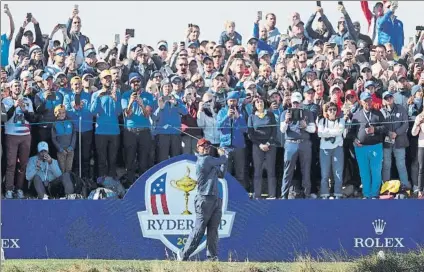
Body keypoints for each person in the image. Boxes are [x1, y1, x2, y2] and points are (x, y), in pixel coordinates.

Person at [177, 138, 228, 261]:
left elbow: (221, 174)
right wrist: (224, 156)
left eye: (208, 146)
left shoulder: (210, 162)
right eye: (203, 146)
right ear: (197, 148)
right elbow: (222, 160)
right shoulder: (204, 160)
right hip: (204, 200)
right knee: (199, 230)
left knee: (213, 230)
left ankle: (212, 257)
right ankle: (183, 255)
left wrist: (224, 161)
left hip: (215, 199)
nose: (206, 147)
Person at [348, 92, 387, 199]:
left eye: (370, 100)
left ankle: (374, 194)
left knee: (376, 172)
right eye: (366, 101)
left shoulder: (378, 113)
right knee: (364, 172)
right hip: (361, 148)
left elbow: (385, 128)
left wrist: (375, 129)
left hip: (376, 146)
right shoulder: (356, 115)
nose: (368, 103)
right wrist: (354, 140)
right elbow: (350, 132)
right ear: (361, 102)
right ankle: (366, 194)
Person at [280, 92, 316, 199]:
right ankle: (284, 195)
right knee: (288, 170)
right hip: (291, 143)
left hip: (304, 143)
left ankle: (307, 194)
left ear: (301, 102)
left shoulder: (308, 113)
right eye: (294, 102)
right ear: (291, 102)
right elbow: (282, 130)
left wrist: (305, 126)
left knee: (306, 170)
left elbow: (313, 129)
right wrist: (286, 120)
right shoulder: (285, 113)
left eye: (298, 102)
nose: (296, 105)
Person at [2, 79, 34, 199]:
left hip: (25, 135)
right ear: (10, 88)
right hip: (11, 135)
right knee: (11, 164)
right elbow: (5, 118)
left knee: (23, 164)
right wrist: (14, 107)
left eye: (19, 86)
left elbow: (32, 119)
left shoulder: (27, 100)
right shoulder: (6, 101)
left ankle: (19, 188)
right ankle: (9, 189)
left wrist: (24, 109)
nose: (17, 88)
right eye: (15, 86)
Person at [247, 97, 277, 199]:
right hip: (257, 146)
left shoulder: (270, 114)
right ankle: (257, 195)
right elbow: (250, 134)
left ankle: (272, 195)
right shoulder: (251, 117)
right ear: (254, 105)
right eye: (257, 102)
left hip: (270, 146)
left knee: (271, 170)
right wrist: (260, 144)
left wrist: (268, 143)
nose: (259, 103)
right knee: (258, 171)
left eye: (261, 101)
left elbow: (274, 131)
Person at [380, 91, 411, 190]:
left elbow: (406, 123)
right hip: (387, 142)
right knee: (386, 165)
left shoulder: (401, 108)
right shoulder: (381, 111)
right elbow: (381, 126)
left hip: (400, 141)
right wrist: (389, 133)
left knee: (401, 164)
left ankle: (405, 186)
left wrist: (396, 132)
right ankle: (386, 187)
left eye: (390, 97)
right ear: (383, 100)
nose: (389, 99)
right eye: (386, 98)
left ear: (393, 98)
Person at [317, 102, 345, 199]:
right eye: (330, 110)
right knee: (325, 173)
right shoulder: (322, 121)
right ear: (327, 112)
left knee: (338, 172)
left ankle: (338, 193)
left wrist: (327, 132)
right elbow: (320, 134)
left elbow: (340, 131)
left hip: (338, 148)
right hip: (324, 149)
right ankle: (325, 193)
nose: (332, 111)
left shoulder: (341, 120)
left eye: (334, 109)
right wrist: (333, 133)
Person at [51, 104, 76, 173]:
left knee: (69, 169)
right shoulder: (55, 124)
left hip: (70, 150)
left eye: (63, 112)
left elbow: (74, 134)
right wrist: (60, 149)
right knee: (61, 169)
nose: (62, 114)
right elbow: (53, 138)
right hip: (61, 151)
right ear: (56, 114)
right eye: (60, 113)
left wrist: (71, 147)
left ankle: (69, 182)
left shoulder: (70, 121)